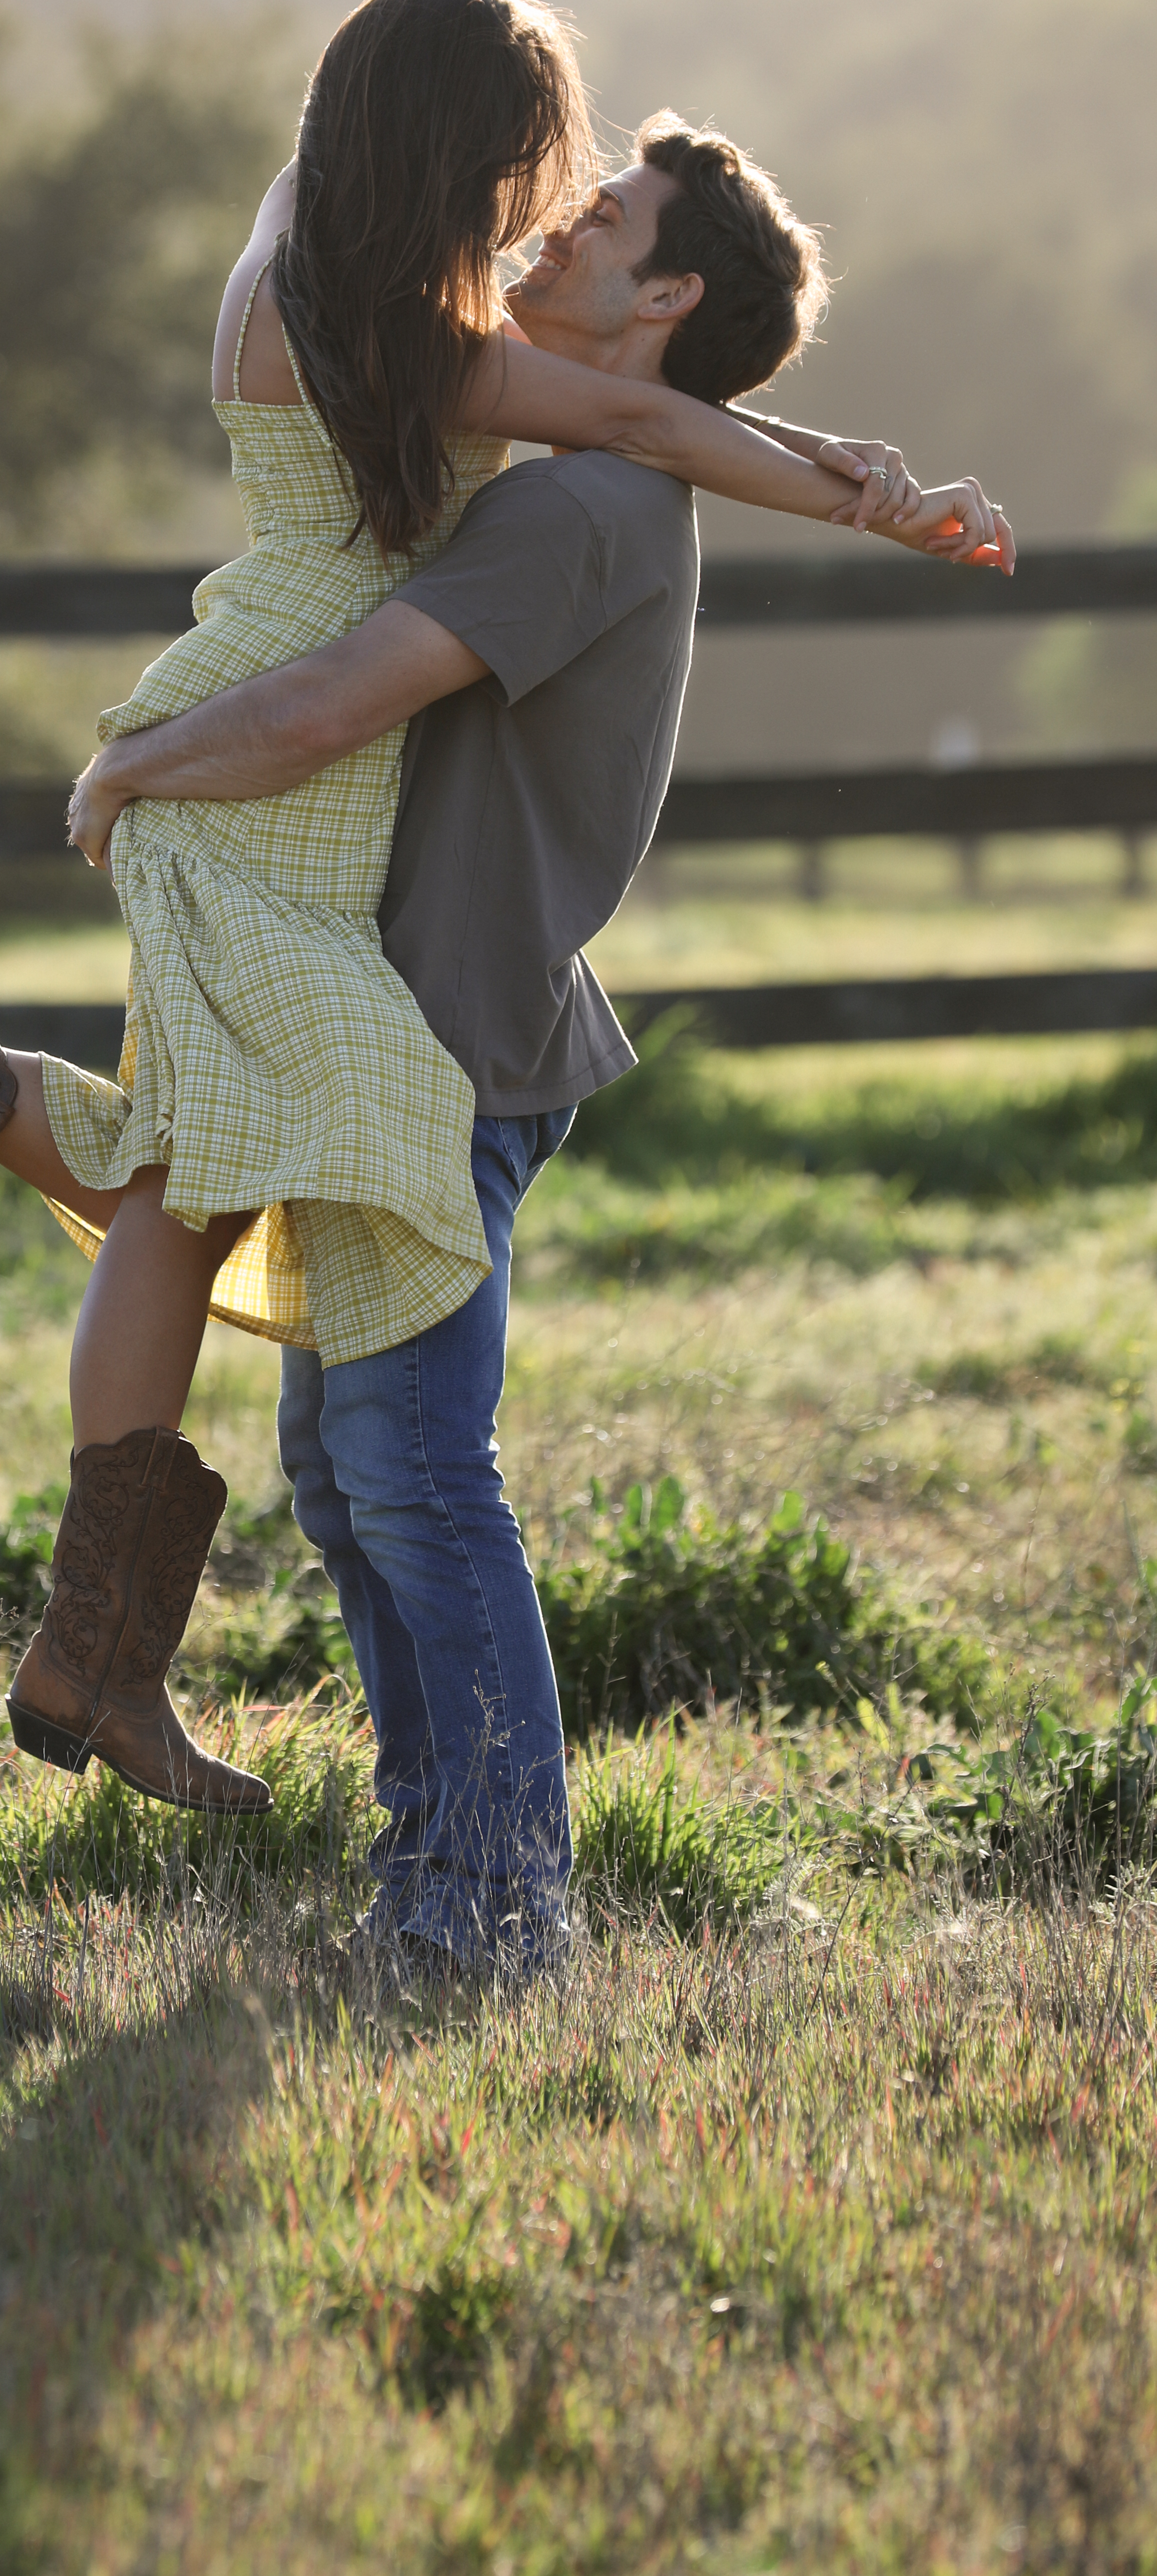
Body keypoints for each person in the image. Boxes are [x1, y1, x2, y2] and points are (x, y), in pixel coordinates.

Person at [0, 0, 1006, 1828]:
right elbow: (645, 435)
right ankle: (122, 1668)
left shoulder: (315, 272)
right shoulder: (397, 349)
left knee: (178, 1182)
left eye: (579, 202)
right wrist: (868, 499)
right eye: (526, 172)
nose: (538, 207)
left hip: (254, 744)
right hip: (256, 753)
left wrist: (849, 472)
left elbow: (642, 427)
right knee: (216, 1225)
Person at [60, 112, 1013, 1965]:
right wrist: (843, 465)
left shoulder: (573, 513)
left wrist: (130, 767)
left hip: (455, 1045)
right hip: (405, 1035)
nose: (559, 223)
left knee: (412, 1473)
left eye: (607, 218)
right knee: (353, 1474)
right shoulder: (567, 466)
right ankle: (439, 1865)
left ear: (663, 295)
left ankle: (496, 1907)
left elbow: (338, 701)